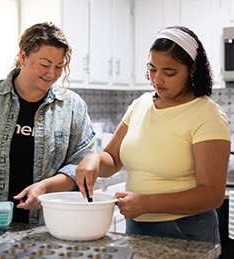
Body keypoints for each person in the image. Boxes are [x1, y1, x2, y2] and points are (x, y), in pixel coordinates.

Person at [76, 25, 231, 243]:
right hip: (136, 224)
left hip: (185, 228)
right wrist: (94, 159)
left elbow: (211, 194)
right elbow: (112, 159)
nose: (157, 79)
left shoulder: (206, 113)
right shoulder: (140, 104)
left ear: (193, 69)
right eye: (152, 68)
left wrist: (148, 203)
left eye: (169, 72)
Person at [0, 22, 95, 224]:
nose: (52, 73)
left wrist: (45, 187)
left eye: (59, 66)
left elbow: (80, 164)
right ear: (23, 57)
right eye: (45, 64)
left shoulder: (73, 106)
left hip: (48, 224)